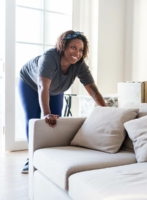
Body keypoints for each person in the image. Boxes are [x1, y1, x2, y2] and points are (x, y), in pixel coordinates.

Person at [18, 30, 106, 174]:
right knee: (33, 119)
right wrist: (46, 113)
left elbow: (93, 90)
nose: (77, 53)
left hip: (56, 88)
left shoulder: (79, 64)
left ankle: (51, 156)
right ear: (63, 46)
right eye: (73, 47)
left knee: (55, 121)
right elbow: (42, 87)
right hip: (31, 84)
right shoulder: (49, 58)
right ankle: (31, 157)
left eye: (81, 50)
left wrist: (106, 111)